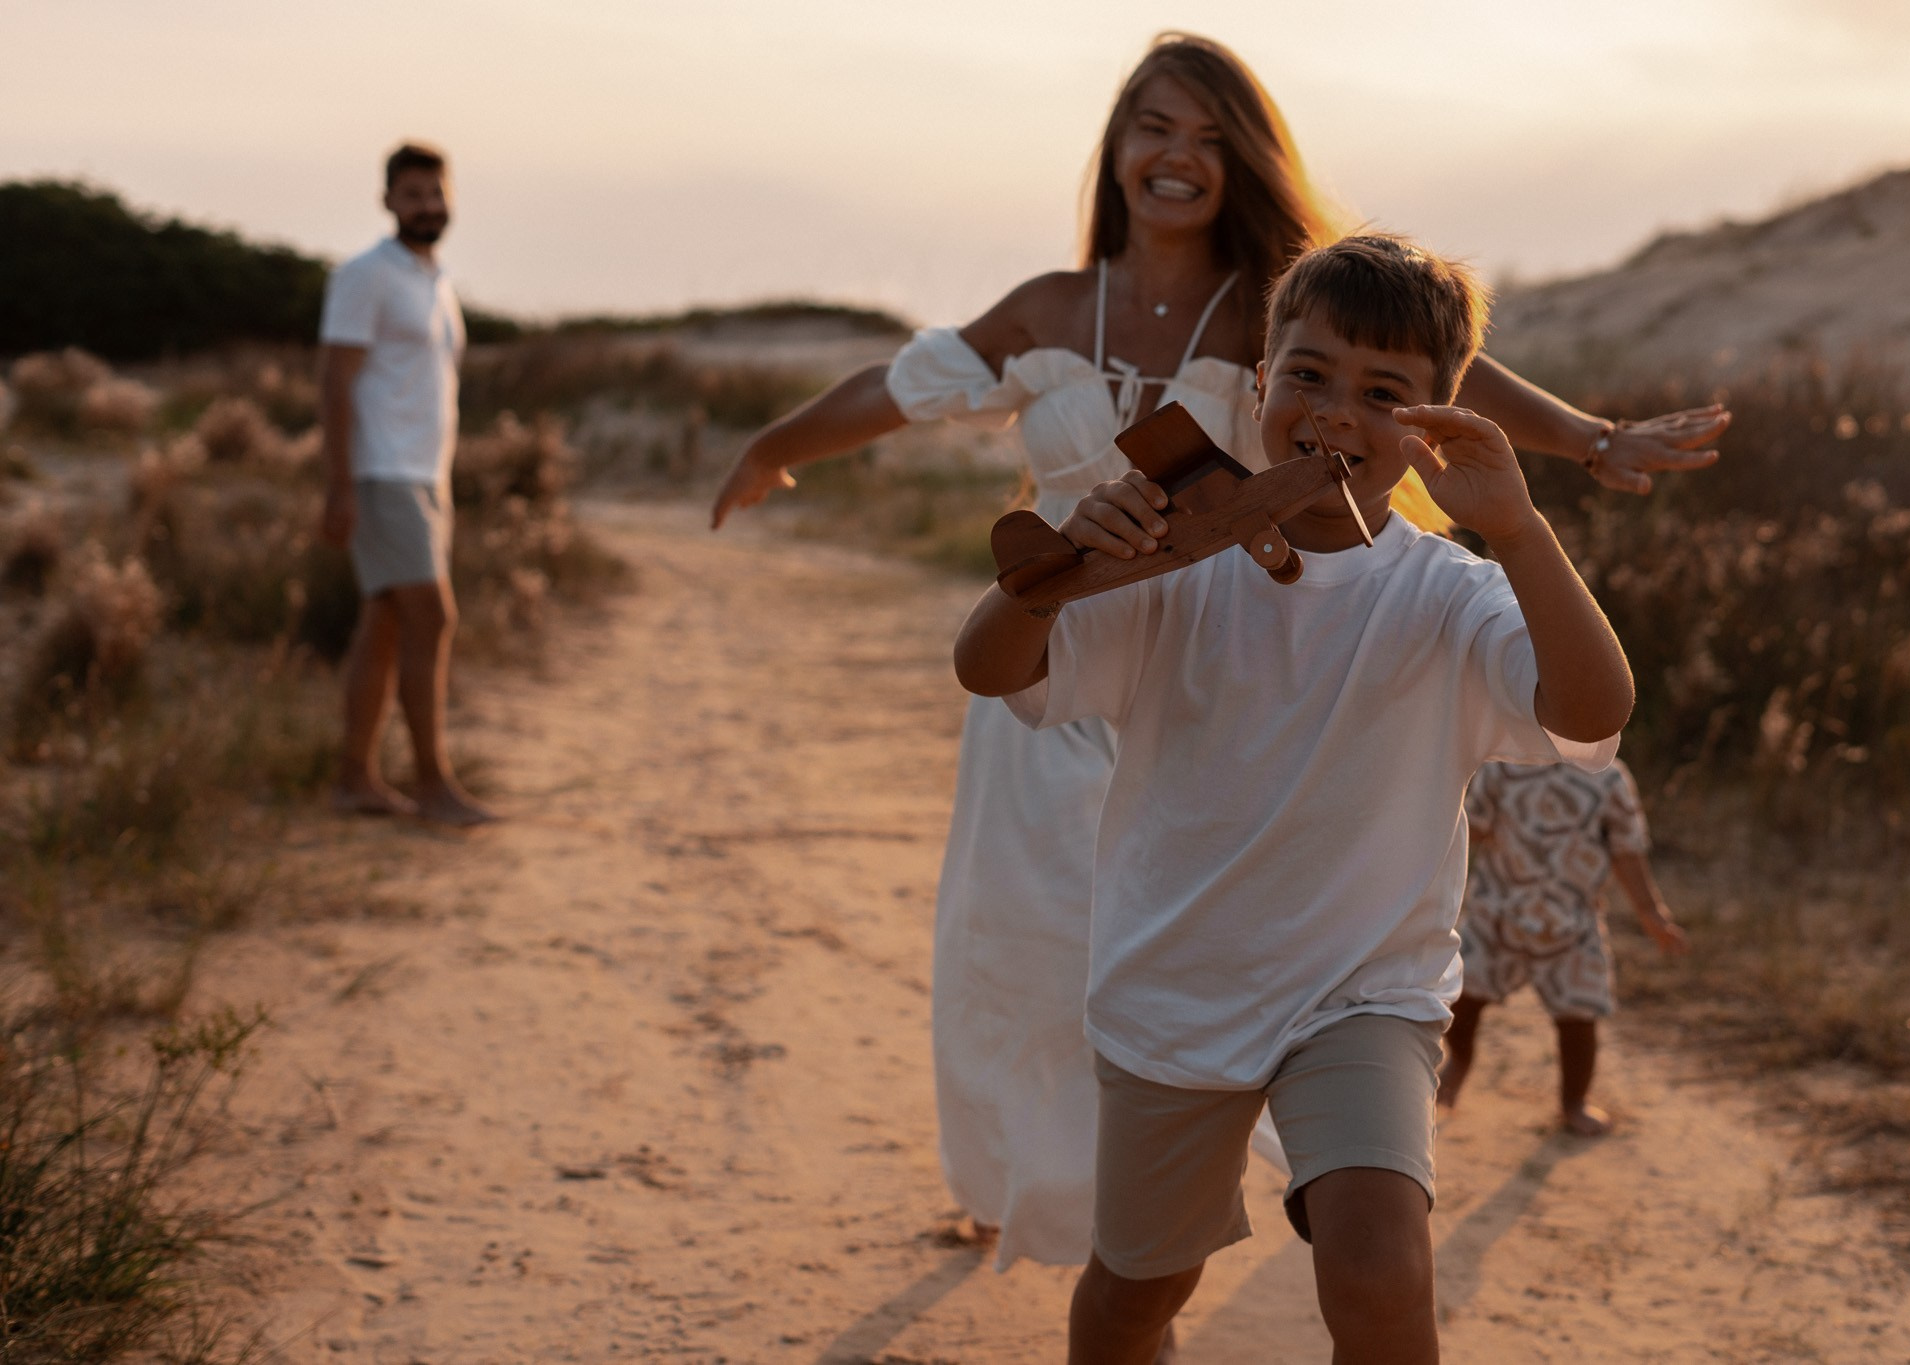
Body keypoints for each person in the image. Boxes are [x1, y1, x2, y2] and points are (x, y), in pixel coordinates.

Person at [710, 33, 1723, 1269]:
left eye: (1206, 135)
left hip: (1215, 651)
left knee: (1193, 931)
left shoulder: (1267, 308)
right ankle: (1051, 1197)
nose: (1177, 156)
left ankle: (1271, 1159)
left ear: (1243, 157)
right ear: (1116, 151)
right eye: (1153, 128)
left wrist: (1590, 440)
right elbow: (898, 384)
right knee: (1028, 943)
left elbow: (1437, 376)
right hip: (1069, 635)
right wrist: (777, 445)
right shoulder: (1045, 307)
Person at [954, 233, 1634, 1364]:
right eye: (1308, 375)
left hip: (1361, 989)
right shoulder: (1175, 558)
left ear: (1434, 424)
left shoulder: (1448, 593)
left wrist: (1518, 532)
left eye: (1384, 394)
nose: (1335, 412)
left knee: (1377, 1271)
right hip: (1174, 985)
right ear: (1259, 383)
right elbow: (991, 667)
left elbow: (1590, 712)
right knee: (1137, 1292)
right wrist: (1061, 568)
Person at [317, 142, 496, 828]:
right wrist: (339, 485)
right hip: (381, 469)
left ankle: (354, 778)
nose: (428, 205)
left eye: (437, 193)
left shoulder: (436, 280)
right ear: (388, 200)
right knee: (433, 616)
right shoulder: (366, 275)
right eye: (414, 193)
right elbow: (335, 377)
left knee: (387, 621)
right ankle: (433, 785)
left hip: (427, 473)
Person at [1436, 757, 1689, 1135]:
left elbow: (1627, 849)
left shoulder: (1609, 778)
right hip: (1499, 916)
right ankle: (1459, 1062)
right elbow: (1469, 830)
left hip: (1572, 925)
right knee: (1465, 995)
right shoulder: (1501, 768)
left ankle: (1574, 1101)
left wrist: (1651, 912)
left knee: (1579, 1016)